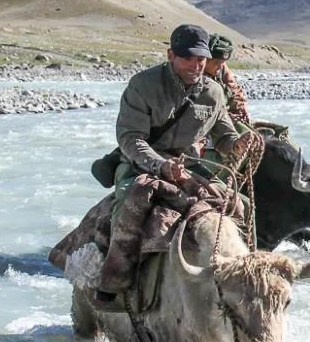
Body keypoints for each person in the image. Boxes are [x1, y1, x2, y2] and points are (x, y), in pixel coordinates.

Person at [99, 24, 249, 302]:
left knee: (240, 205)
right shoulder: (143, 85)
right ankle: (115, 279)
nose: (195, 65)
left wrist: (236, 144)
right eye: (187, 58)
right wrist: (161, 166)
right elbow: (131, 138)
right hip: (141, 163)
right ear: (171, 55)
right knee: (133, 200)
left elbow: (224, 135)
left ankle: (244, 277)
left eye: (201, 59)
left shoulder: (213, 92)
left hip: (188, 166)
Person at [205, 33, 252, 127]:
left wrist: (241, 109)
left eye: (223, 63)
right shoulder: (193, 74)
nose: (220, 66)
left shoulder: (222, 69)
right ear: (205, 60)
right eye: (216, 62)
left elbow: (234, 90)